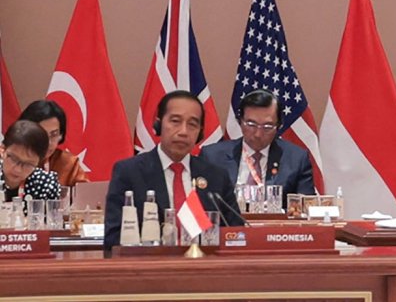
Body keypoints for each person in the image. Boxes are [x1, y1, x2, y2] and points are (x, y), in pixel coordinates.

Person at [104, 90, 244, 252]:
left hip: (205, 268)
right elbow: (113, 237)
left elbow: (236, 234)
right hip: (150, 269)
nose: (183, 131)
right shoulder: (129, 172)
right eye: (175, 121)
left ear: (200, 132)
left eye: (192, 124)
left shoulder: (215, 176)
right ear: (158, 125)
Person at [212, 89, 317, 196]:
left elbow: (304, 206)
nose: (258, 134)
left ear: (279, 126)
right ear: (240, 122)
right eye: (251, 124)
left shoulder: (297, 159)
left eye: (267, 127)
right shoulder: (213, 157)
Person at [17, 99, 86, 187]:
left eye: (54, 135)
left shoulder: (68, 164)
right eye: (41, 134)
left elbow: (86, 197)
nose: (48, 142)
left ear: (61, 134)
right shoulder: (8, 158)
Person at [2, 120, 62, 202]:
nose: (18, 169)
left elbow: (52, 214)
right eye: (14, 159)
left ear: (38, 162)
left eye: (28, 164)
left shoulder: (46, 184)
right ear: (2, 150)